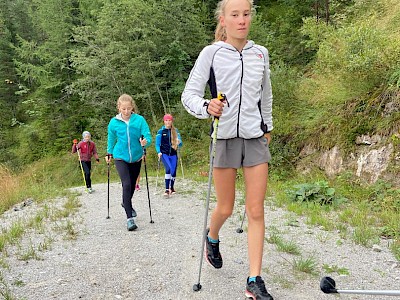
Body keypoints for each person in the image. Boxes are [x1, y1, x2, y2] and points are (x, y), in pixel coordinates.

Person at [181, 0, 274, 299]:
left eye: (246, 14)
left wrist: (267, 126)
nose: (242, 20)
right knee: (225, 207)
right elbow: (189, 95)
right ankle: (212, 236)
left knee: (255, 209)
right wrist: (207, 106)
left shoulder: (260, 53)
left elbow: (266, 94)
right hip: (223, 139)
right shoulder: (211, 53)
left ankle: (254, 279)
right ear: (224, 20)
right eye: (235, 15)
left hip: (254, 137)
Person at [105, 94, 152, 231]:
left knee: (132, 185)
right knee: (126, 184)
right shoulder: (114, 122)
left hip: (136, 157)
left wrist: (145, 141)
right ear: (119, 107)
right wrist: (109, 153)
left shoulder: (139, 120)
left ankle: (126, 203)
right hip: (120, 156)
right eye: (123, 109)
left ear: (133, 107)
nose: (126, 112)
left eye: (129, 108)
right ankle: (129, 219)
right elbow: (111, 139)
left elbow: (147, 135)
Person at [155, 114, 182, 196]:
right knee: (168, 168)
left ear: (171, 121)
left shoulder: (175, 131)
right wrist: (158, 151)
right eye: (166, 120)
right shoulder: (161, 131)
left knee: (173, 171)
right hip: (164, 154)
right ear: (164, 121)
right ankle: (167, 189)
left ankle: (172, 187)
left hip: (173, 154)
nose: (168, 122)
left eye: (169, 120)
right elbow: (157, 144)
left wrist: (179, 142)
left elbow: (180, 144)